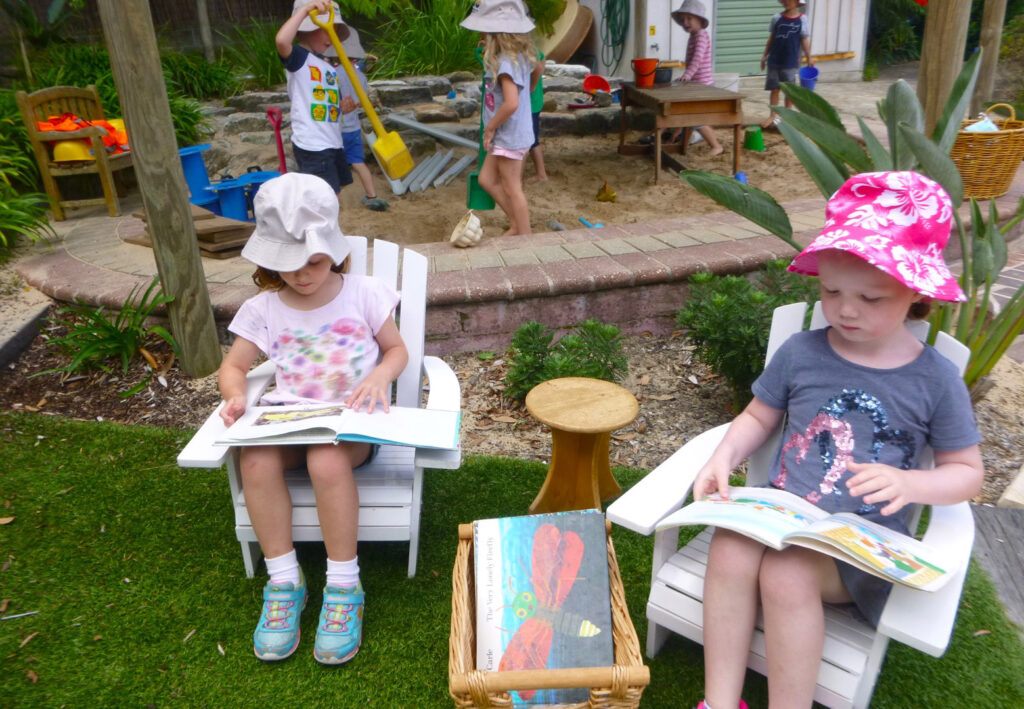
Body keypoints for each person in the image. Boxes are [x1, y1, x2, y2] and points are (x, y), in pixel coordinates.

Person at [692, 171, 984, 708]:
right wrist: (724, 456)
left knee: (786, 570)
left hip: (856, 553)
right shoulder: (802, 352)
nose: (846, 309)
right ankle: (720, 699)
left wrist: (911, 482)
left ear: (916, 293)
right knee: (730, 549)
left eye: (870, 297)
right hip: (779, 515)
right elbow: (759, 416)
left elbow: (967, 472)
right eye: (830, 291)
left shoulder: (935, 379)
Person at [218, 172, 409, 664]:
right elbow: (234, 366)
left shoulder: (364, 293)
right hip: (289, 421)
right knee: (253, 462)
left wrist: (378, 378)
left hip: (351, 424)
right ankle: (285, 582)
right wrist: (236, 397)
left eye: (315, 261)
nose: (302, 275)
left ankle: (345, 586)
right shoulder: (265, 307)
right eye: (288, 265)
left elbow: (396, 351)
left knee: (326, 461)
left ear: (334, 250)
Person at [460, 0, 538, 236]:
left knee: (513, 188)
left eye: (484, 29)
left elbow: (512, 103)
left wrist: (490, 128)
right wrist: (530, 92)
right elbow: (539, 70)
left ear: (494, 33)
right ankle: (517, 224)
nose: (481, 33)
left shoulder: (505, 63)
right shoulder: (516, 55)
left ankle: (525, 238)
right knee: (486, 179)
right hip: (511, 133)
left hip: (509, 135)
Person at [276, 1, 357, 198]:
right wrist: (304, 11)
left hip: (332, 141)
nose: (332, 38)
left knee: (334, 194)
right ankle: (321, 229)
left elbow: (326, 104)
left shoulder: (327, 67)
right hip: (313, 144)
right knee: (326, 198)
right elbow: (281, 41)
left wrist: (343, 108)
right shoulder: (300, 59)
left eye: (336, 31)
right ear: (308, 28)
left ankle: (326, 228)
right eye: (326, 30)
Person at [326, 28, 389, 211]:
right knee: (358, 163)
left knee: (333, 165)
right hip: (353, 127)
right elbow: (362, 102)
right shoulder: (360, 76)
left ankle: (332, 200)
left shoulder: (332, 74)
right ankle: (372, 196)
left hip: (337, 129)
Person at [668, 0, 723, 156]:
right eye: (683, 19)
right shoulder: (694, 35)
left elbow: (697, 59)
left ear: (700, 20)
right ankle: (683, 145)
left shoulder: (701, 36)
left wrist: (687, 75)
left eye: (689, 19)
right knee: (688, 116)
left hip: (703, 86)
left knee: (696, 119)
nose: (685, 23)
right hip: (695, 85)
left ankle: (716, 146)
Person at [760, 0, 813, 129]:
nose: (786, 2)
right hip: (774, 60)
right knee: (774, 89)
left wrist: (809, 57)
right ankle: (773, 115)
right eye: (784, 0)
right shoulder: (777, 18)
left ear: (797, 2)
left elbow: (804, 40)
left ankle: (787, 117)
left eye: (789, 0)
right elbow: (771, 38)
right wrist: (764, 56)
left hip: (790, 62)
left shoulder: (802, 19)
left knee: (789, 91)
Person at [527, 50, 548, 182]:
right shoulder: (535, 49)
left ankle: (541, 174)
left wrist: (531, 87)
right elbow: (543, 60)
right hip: (534, 101)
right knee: (531, 138)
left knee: (532, 140)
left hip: (531, 103)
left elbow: (539, 67)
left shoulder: (528, 50)